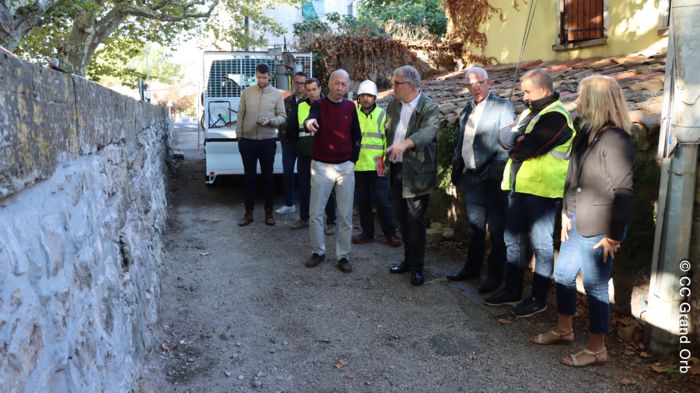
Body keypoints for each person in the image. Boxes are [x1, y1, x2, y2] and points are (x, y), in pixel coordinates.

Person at [531, 75, 634, 367]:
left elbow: (624, 192)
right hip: (576, 220)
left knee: (595, 287)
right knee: (563, 276)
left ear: (597, 102)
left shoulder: (616, 139)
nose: (576, 103)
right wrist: (565, 212)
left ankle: (597, 348)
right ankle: (564, 330)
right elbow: (572, 177)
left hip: (600, 227)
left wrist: (615, 236)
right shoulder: (586, 132)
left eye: (581, 97)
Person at [484, 68, 575, 317]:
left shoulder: (556, 117)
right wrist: (518, 140)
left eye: (527, 91)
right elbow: (504, 137)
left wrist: (518, 141)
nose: (523, 97)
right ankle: (513, 291)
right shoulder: (530, 112)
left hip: (543, 193)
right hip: (519, 188)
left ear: (543, 90)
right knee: (511, 238)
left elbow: (524, 148)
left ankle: (538, 298)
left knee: (542, 246)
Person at [447, 67, 515, 293]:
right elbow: (463, 143)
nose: (475, 86)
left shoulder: (503, 106)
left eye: (480, 82)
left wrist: (493, 174)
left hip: (493, 180)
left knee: (497, 230)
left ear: (489, 82)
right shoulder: (467, 109)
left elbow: (507, 145)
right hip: (471, 178)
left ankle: (495, 276)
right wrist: (460, 170)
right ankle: (472, 268)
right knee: (475, 228)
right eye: (471, 83)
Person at [385, 65, 440, 286]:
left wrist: (405, 144)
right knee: (401, 219)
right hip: (396, 170)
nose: (393, 87)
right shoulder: (393, 105)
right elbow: (387, 133)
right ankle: (407, 260)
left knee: (415, 222)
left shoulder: (429, 107)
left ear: (409, 85)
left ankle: (418, 267)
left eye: (396, 83)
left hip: (417, 173)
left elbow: (428, 132)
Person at [303, 69, 361, 273]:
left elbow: (357, 136)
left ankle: (343, 256)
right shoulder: (319, 104)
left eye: (344, 84)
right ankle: (317, 252)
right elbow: (310, 119)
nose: (340, 88)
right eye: (337, 83)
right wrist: (309, 123)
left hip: (345, 167)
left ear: (348, 86)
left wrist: (352, 161)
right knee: (316, 213)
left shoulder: (350, 107)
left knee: (345, 215)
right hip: (321, 166)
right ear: (329, 84)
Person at [351, 80, 401, 248]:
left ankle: (391, 233)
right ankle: (367, 233)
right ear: (359, 97)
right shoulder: (353, 113)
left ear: (375, 98)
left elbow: (387, 139)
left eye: (370, 96)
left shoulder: (382, 114)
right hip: (358, 164)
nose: (366, 99)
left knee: (382, 199)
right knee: (363, 201)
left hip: (378, 163)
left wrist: (386, 162)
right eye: (363, 96)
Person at [236, 63, 286, 227]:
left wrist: (270, 121)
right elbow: (241, 114)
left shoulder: (277, 95)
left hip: (267, 141)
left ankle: (269, 213)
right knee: (249, 179)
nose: (262, 81)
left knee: (268, 179)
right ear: (255, 75)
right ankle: (248, 213)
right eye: (259, 77)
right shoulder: (247, 92)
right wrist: (239, 136)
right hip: (247, 141)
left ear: (270, 76)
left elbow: (282, 117)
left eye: (264, 77)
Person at [287, 78, 337, 233]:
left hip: (323, 156)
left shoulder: (327, 106)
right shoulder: (300, 106)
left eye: (314, 89)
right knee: (303, 188)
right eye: (308, 90)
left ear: (320, 89)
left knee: (327, 189)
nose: (311, 93)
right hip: (304, 155)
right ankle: (304, 218)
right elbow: (292, 129)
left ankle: (331, 221)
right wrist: (298, 146)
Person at [276, 71, 307, 215]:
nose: (299, 85)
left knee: (304, 175)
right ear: (293, 83)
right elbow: (281, 118)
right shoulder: (287, 101)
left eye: (302, 83)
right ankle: (289, 203)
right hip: (288, 142)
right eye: (297, 82)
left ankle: (307, 207)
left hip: (304, 144)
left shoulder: (311, 102)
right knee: (287, 173)